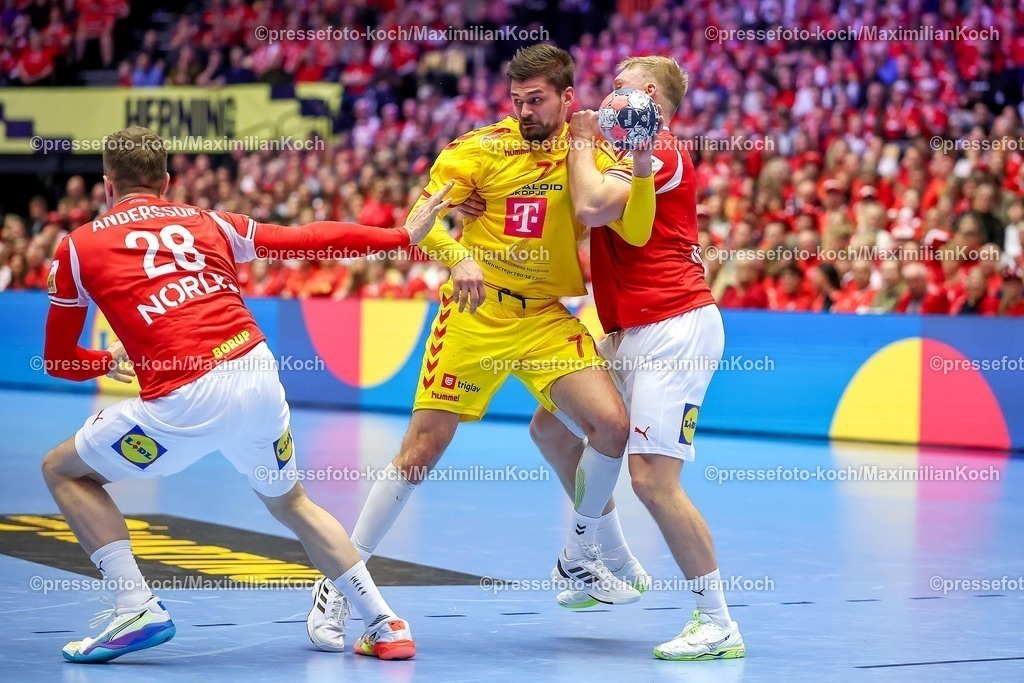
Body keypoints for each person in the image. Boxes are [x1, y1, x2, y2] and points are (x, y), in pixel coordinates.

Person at [40, 125, 453, 663]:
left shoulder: (77, 247)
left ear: (105, 184)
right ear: (165, 181)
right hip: (257, 373)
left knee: (61, 470)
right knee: (293, 503)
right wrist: (400, 238)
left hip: (185, 394)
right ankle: (384, 621)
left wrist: (107, 363)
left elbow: (58, 361)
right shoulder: (209, 221)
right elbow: (308, 239)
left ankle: (135, 604)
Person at [327, 44, 657, 627]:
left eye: (538, 100)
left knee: (611, 426)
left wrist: (634, 157)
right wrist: (457, 257)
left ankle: (585, 556)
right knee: (422, 451)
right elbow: (418, 222)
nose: (526, 110)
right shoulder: (478, 149)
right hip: (475, 314)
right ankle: (339, 584)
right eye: (518, 100)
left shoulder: (589, 150)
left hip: (545, 317)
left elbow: (618, 211)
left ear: (566, 99)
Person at [527, 56, 745, 661]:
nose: (606, 95)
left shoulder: (662, 153)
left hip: (674, 328)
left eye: (618, 87)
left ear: (648, 95)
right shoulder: (627, 154)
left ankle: (717, 619)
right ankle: (598, 554)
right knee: (552, 426)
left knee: (653, 479)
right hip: (626, 331)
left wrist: (581, 137)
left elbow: (594, 207)